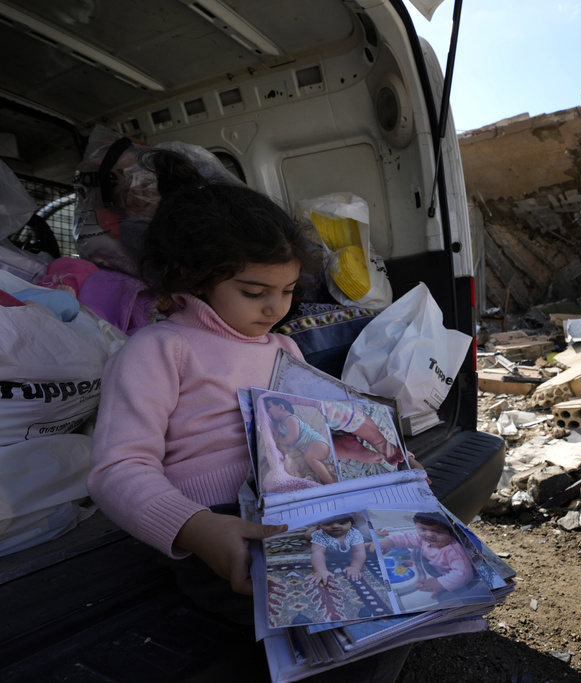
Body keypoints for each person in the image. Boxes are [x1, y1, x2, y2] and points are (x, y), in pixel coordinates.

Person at [86, 148, 411, 681]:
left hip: (302, 507)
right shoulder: (157, 350)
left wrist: (382, 457)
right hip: (221, 522)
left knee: (387, 597)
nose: (276, 308)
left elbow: (328, 430)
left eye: (287, 291)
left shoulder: (283, 349)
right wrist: (195, 529)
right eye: (254, 292)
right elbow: (116, 469)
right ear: (187, 279)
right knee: (334, 625)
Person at [377, 512, 474, 599]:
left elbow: (464, 573)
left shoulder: (453, 552)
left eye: (437, 532)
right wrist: (389, 541)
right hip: (435, 571)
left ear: (452, 534)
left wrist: (441, 583)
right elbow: (407, 538)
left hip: (456, 581)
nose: (429, 535)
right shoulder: (424, 539)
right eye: (423, 529)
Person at [262, 395, 336, 484]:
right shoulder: (281, 425)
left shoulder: (290, 418)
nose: (268, 411)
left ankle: (330, 482)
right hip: (313, 447)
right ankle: (327, 477)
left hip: (317, 442)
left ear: (281, 407)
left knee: (310, 458)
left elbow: (293, 437)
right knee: (311, 462)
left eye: (269, 407)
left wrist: (278, 441)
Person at [306, 515, 367, 584]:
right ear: (320, 525)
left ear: (352, 524)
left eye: (342, 523)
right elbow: (317, 552)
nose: (335, 526)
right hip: (320, 536)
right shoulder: (320, 535)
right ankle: (312, 528)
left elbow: (359, 551)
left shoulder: (354, 534)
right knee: (309, 535)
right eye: (328, 524)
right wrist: (320, 570)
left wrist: (355, 567)